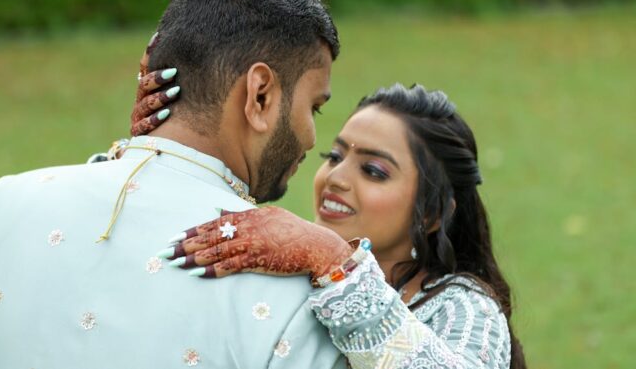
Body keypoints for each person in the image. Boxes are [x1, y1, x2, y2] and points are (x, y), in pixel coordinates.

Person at [0, 0, 353, 368]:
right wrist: (347, 270)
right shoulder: (300, 287)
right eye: (314, 107)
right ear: (259, 96)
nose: (313, 137)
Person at [117, 76, 527, 368]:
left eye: (374, 171)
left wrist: (339, 264)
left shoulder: (462, 307)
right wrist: (162, 143)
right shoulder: (294, 263)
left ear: (434, 213)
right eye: (334, 156)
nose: (336, 177)